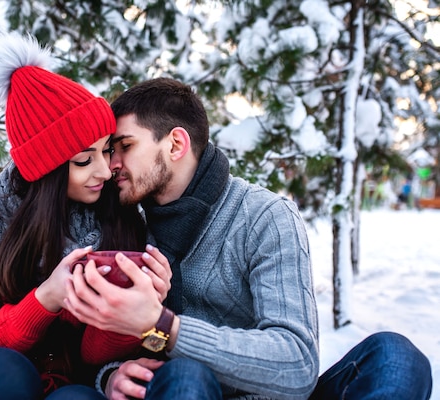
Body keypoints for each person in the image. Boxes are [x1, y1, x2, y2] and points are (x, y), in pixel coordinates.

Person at [63, 77, 433, 399]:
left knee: (396, 357)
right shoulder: (126, 223)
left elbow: (298, 365)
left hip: (275, 396)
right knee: (185, 376)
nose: (111, 164)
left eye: (125, 146)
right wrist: (108, 378)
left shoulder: (263, 216)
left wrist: (165, 328)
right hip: (183, 391)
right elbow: (103, 342)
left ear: (175, 145)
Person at [0, 33, 172, 400]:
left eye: (106, 150)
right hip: (0, 382)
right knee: (6, 370)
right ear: (45, 169)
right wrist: (46, 299)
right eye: (84, 160)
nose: (104, 171)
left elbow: (93, 358)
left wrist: (135, 303)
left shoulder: (123, 213)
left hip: (80, 385)